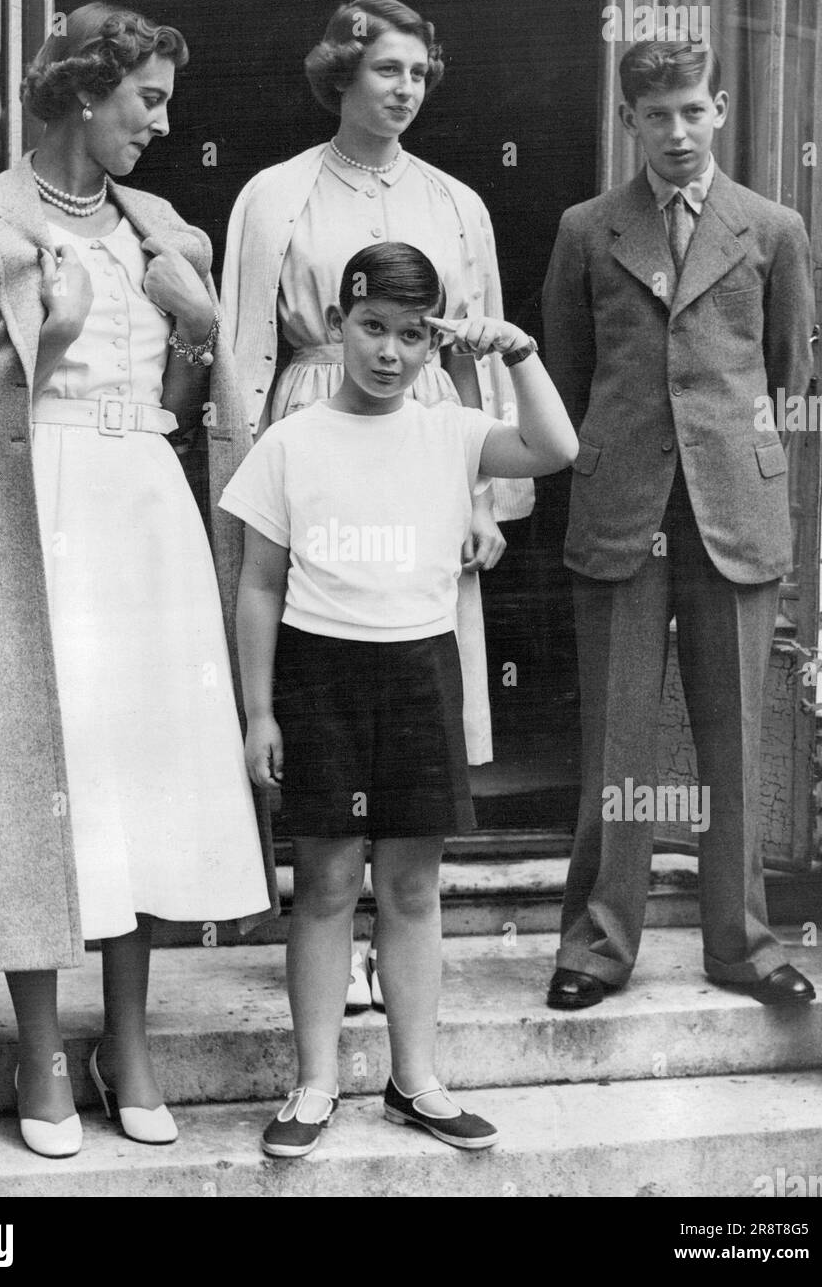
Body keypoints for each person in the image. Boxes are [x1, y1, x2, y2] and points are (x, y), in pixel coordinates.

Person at [0, 3, 275, 1158]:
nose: (160, 123)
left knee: (140, 778)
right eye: (146, 99)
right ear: (85, 93)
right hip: (25, 515)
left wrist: (197, 334)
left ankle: (129, 1042)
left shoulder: (166, 230)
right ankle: (41, 1046)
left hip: (141, 509)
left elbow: (188, 412)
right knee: (40, 788)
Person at [219, 242, 577, 1157]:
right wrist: (260, 711)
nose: (388, 352)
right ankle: (313, 1083)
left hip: (419, 670)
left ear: (433, 343)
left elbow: (553, 447)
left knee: (414, 886)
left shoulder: (451, 429)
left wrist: (517, 353)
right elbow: (259, 583)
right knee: (329, 882)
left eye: (412, 335)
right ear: (338, 325)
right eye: (371, 328)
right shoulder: (291, 441)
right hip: (319, 673)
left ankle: (414, 1080)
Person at [222, 0, 533, 1007]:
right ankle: (319, 923)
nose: (404, 91)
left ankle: (394, 936)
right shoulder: (275, 194)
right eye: (386, 70)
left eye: (418, 75)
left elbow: (481, 356)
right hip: (312, 423)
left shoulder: (454, 202)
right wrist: (244, 479)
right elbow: (243, 346)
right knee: (319, 676)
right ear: (342, 74)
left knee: (410, 692)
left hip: (426, 435)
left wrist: (485, 496)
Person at [541, 39, 816, 1011]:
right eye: (655, 115)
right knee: (616, 736)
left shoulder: (773, 229)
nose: (676, 132)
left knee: (732, 734)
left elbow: (790, 380)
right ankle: (597, 942)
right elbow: (563, 382)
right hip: (622, 508)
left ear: (722, 108)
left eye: (692, 110)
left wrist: (729, 459)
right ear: (629, 120)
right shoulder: (587, 229)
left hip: (731, 510)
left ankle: (741, 945)